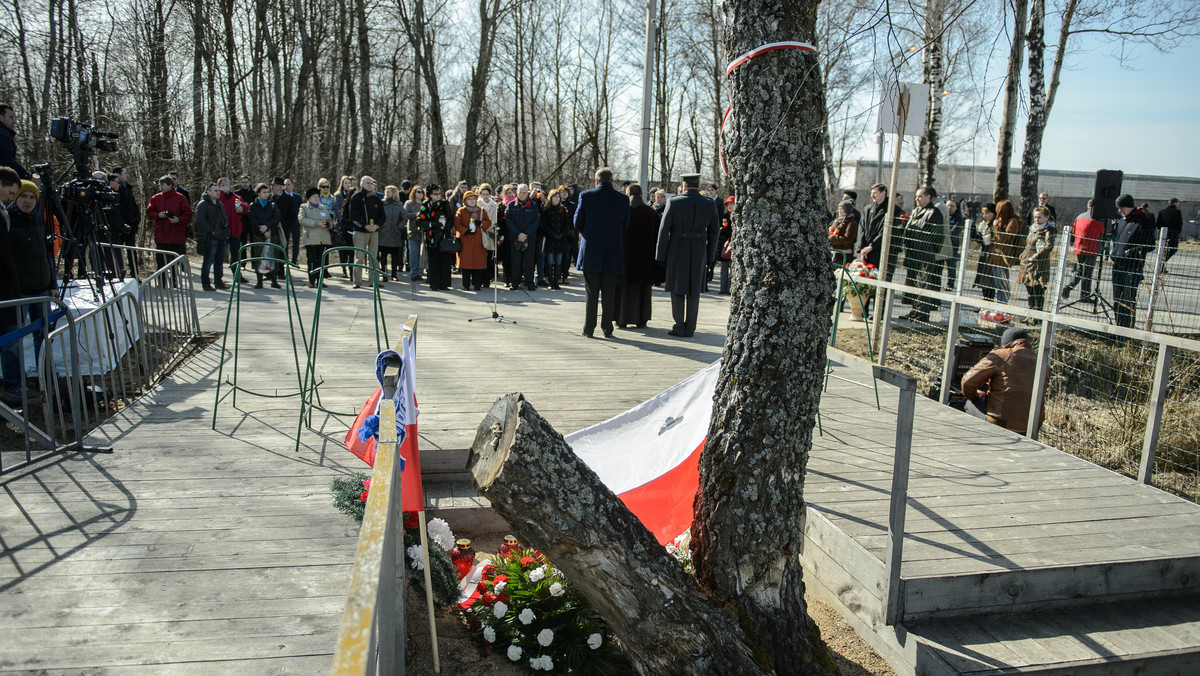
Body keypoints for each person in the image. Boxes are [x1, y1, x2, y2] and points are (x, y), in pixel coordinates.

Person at [656, 172, 718, 338]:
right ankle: (690, 328)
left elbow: (664, 230)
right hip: (699, 248)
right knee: (694, 290)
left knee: (677, 289)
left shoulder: (674, 202)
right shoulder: (709, 204)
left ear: (683, 186)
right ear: (698, 186)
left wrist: (660, 255)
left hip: (677, 247)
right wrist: (711, 257)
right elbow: (714, 233)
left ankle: (679, 326)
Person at [575, 167, 629, 337]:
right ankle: (607, 328)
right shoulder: (622, 199)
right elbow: (626, 225)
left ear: (596, 180)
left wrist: (589, 233)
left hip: (591, 249)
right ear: (612, 181)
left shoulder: (586, 196)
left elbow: (577, 222)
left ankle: (588, 328)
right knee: (609, 293)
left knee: (591, 293)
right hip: (613, 251)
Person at [0, 170, 35, 405]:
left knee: (11, 340)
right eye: (11, 192)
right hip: (5, 286)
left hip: (10, 284)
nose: (12, 198)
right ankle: (11, 387)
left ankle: (13, 386)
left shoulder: (3, 211)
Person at [961, 327, 1037, 435]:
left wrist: (975, 395)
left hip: (1000, 423)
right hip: (1030, 425)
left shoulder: (1001, 355)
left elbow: (967, 382)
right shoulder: (1041, 361)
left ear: (1006, 344)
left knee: (970, 403)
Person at [616, 184, 661, 327]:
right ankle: (642, 319)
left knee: (624, 288)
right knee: (643, 289)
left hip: (624, 257)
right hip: (645, 258)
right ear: (642, 195)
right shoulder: (652, 213)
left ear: (628, 195)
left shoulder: (621, 211)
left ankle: (621, 318)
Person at [900, 186, 945, 322]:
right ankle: (914, 310)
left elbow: (938, 236)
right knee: (914, 284)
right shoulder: (916, 211)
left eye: (920, 196)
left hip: (925, 254)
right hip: (912, 253)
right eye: (916, 197)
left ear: (928, 197)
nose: (917, 199)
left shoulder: (934, 212)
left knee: (924, 285)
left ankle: (922, 314)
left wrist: (928, 249)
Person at [1111, 193, 1156, 329]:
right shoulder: (1122, 221)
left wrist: (1131, 252)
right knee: (1117, 299)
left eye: (1122, 207)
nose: (1120, 210)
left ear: (1130, 206)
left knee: (1128, 300)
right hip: (1118, 264)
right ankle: (1119, 328)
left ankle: (1128, 330)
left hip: (1133, 267)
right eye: (1118, 208)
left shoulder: (1143, 221)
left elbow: (1150, 244)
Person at [144, 176, 192, 274]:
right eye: (159, 185)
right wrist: (158, 215)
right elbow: (149, 212)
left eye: (163, 185)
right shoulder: (156, 198)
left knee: (174, 261)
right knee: (160, 260)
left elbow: (188, 214)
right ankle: (162, 282)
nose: (160, 187)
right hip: (161, 234)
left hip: (176, 235)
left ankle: (174, 280)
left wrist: (178, 219)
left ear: (170, 185)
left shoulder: (180, 197)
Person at [1061, 200, 1104, 301]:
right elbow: (1106, 230)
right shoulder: (1098, 219)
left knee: (1079, 271)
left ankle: (1069, 286)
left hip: (1079, 248)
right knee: (1087, 273)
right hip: (1092, 249)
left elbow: (1073, 231)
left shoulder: (1079, 216)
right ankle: (1085, 295)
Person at [1018, 206, 1055, 317]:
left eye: (1039, 217)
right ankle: (1030, 314)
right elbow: (1029, 244)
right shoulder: (1032, 228)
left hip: (1039, 263)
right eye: (1035, 217)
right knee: (1029, 288)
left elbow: (1048, 246)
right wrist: (1023, 254)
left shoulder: (1048, 230)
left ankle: (1037, 316)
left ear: (1046, 217)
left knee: (1038, 290)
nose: (1036, 219)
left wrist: (1036, 256)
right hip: (1027, 262)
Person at [348, 175, 384, 289]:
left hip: (374, 232)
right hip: (360, 231)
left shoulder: (376, 199)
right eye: (367, 183)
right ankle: (357, 281)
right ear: (362, 184)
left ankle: (373, 281)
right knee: (359, 257)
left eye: (371, 183)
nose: (370, 185)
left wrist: (377, 225)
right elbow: (354, 215)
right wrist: (365, 225)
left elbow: (382, 215)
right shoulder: (356, 198)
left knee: (373, 257)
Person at [855, 183, 900, 274]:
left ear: (883, 193)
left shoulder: (893, 210)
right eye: (871, 193)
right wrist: (861, 249)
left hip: (882, 252)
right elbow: (861, 228)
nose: (872, 195)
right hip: (866, 252)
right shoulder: (867, 209)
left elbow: (886, 231)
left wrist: (872, 246)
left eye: (875, 193)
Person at [246, 182, 283, 289]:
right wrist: (261, 228)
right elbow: (252, 219)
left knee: (274, 256)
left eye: (267, 192)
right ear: (258, 193)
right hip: (259, 235)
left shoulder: (272, 205)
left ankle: (274, 279)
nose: (266, 194)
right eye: (264, 192)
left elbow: (276, 217)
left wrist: (267, 227)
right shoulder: (253, 206)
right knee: (259, 257)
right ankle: (259, 280)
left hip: (272, 234)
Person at [194, 182, 230, 292]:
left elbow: (224, 218)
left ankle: (218, 281)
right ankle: (206, 283)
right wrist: (212, 231)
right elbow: (200, 220)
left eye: (218, 190)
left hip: (222, 237)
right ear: (208, 192)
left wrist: (225, 230)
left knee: (219, 261)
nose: (218, 193)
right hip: (210, 237)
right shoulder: (203, 204)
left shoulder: (220, 204)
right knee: (208, 261)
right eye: (215, 190)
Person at [454, 190, 492, 291]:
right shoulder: (461, 211)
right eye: (469, 199)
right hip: (465, 240)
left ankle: (477, 284)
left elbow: (489, 222)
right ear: (465, 201)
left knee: (478, 264)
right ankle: (466, 285)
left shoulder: (481, 210)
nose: (472, 201)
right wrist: (465, 231)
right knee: (465, 265)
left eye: (474, 199)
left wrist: (481, 223)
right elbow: (457, 224)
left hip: (478, 241)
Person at [506, 184, 541, 291]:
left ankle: (529, 282)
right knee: (515, 262)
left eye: (525, 192)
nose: (522, 194)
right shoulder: (511, 205)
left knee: (529, 262)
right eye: (520, 192)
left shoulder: (533, 205)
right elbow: (509, 221)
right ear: (516, 192)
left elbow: (536, 222)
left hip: (529, 238)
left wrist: (525, 234)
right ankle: (515, 282)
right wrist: (518, 234)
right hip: (515, 238)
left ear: (528, 193)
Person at [420, 184, 454, 291]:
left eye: (439, 193)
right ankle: (434, 283)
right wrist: (432, 224)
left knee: (444, 260)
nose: (438, 196)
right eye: (435, 194)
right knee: (433, 260)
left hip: (444, 235)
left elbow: (451, 218)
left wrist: (447, 225)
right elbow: (420, 220)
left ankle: (444, 283)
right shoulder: (426, 205)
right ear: (430, 195)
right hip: (431, 236)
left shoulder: (444, 204)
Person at [298, 186, 334, 287]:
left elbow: (330, 221)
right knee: (312, 260)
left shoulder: (323, 207)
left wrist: (328, 224)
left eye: (318, 197)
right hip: (311, 239)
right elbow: (302, 219)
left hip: (323, 239)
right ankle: (311, 280)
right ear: (309, 198)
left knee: (321, 261)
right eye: (314, 197)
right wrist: (316, 223)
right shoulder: (304, 207)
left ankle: (320, 280)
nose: (316, 199)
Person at [540, 187, 572, 290]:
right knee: (550, 261)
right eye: (555, 197)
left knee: (558, 261)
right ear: (550, 198)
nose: (557, 199)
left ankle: (556, 282)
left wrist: (562, 234)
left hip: (561, 239)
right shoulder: (546, 209)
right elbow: (544, 225)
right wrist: (552, 234)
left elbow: (567, 224)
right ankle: (550, 282)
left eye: (558, 197)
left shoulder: (562, 209)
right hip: (550, 238)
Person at [113, 166, 140, 273]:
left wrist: (137, 217)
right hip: (120, 225)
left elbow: (134, 205)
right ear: (118, 175)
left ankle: (135, 274)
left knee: (131, 251)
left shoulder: (128, 188)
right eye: (124, 173)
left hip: (132, 225)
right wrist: (129, 219)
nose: (127, 175)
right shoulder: (115, 190)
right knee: (118, 251)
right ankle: (119, 273)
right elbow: (119, 208)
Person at [269, 177, 300, 266]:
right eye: (272, 185)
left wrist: (287, 225)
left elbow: (293, 214)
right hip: (272, 226)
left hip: (284, 227)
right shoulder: (270, 198)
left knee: (282, 248)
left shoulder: (288, 199)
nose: (272, 187)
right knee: (271, 248)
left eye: (275, 185)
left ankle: (281, 270)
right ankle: (271, 270)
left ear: (280, 186)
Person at [332, 175, 358, 277]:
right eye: (346, 183)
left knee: (351, 250)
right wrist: (342, 216)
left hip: (352, 226)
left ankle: (351, 271)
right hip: (342, 225)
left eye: (349, 183)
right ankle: (344, 269)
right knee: (343, 249)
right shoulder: (338, 195)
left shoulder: (353, 194)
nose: (348, 185)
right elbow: (337, 209)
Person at [379, 185, 406, 281]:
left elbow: (404, 218)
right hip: (383, 233)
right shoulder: (381, 203)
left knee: (394, 255)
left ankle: (394, 274)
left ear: (394, 193)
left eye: (389, 191)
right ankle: (384, 274)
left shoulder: (399, 204)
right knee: (383, 255)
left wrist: (398, 227)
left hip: (395, 234)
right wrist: (380, 226)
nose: (387, 193)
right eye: (386, 191)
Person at [0, 105, 31, 180]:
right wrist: (27, 176)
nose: (14, 121)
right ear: (0, 117)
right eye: (11, 117)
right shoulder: (2, 134)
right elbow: (5, 160)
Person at [477, 184, 499, 288]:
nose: (485, 196)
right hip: (479, 232)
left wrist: (489, 228)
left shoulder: (494, 205)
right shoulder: (477, 204)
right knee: (480, 257)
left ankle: (487, 280)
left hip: (490, 232)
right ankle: (478, 279)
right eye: (483, 194)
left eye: (487, 194)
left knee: (489, 257)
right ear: (480, 194)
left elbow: (495, 219)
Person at [404, 185, 426, 281]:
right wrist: (416, 214)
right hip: (412, 232)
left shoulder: (425, 203)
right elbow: (405, 215)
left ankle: (420, 272)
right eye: (418, 192)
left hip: (423, 232)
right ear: (414, 192)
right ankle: (413, 272)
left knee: (422, 254)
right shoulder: (409, 203)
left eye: (422, 192)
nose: (420, 194)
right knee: (413, 253)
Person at [828, 200, 858, 265]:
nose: (839, 211)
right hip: (834, 252)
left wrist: (831, 238)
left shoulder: (851, 223)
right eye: (838, 209)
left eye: (842, 209)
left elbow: (847, 239)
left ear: (847, 210)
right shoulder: (837, 222)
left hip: (843, 255)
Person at [943, 198, 964, 290]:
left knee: (951, 265)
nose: (949, 208)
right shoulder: (942, 215)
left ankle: (950, 284)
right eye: (948, 205)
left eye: (952, 206)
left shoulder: (958, 218)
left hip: (952, 245)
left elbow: (956, 231)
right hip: (941, 244)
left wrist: (946, 235)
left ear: (956, 208)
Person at [717, 196, 734, 295]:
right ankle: (722, 288)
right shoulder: (725, 216)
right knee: (724, 268)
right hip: (725, 244)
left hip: (734, 244)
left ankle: (730, 288)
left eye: (732, 204)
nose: (730, 207)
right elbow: (724, 228)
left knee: (732, 269)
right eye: (728, 205)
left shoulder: (739, 216)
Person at [1157, 197, 1183, 263]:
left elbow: (1158, 222)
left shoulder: (1162, 211)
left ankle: (1160, 263)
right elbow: (1179, 223)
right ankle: (1164, 261)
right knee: (1173, 249)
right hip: (1173, 234)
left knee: (1162, 249)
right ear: (1175, 203)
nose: (1178, 205)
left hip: (1163, 234)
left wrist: (1160, 230)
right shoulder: (1177, 212)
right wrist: (1178, 232)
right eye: (1177, 203)